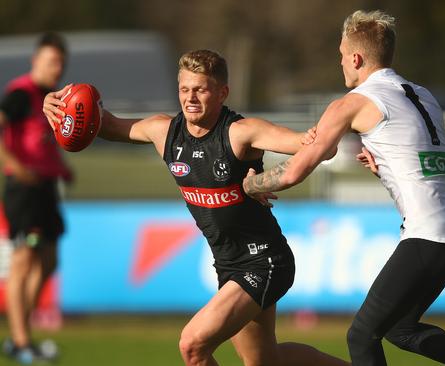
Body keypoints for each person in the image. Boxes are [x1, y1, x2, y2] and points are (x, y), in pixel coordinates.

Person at [43, 50, 348, 366]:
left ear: (222, 92)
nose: (190, 98)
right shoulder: (165, 132)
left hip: (265, 260)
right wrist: (58, 107)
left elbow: (315, 148)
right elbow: (105, 125)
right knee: (265, 362)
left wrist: (272, 174)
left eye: (201, 89)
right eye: (184, 89)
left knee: (192, 345)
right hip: (228, 265)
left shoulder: (240, 133)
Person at [243, 9, 445, 366]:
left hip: (429, 233)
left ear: (356, 58)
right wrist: (385, 172)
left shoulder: (352, 103)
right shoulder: (423, 95)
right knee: (400, 329)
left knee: (361, 335)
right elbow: (428, 164)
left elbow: (293, 172)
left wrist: (250, 184)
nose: (341, 65)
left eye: (341, 57)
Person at [0, 32, 72, 364]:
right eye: (50, 61)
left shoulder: (53, 98)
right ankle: (21, 341)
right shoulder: (20, 93)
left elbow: (42, 142)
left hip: (45, 189)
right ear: (35, 62)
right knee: (25, 259)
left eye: (60, 62)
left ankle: (19, 333)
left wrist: (61, 167)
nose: (56, 68)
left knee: (50, 261)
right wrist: (15, 165)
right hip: (24, 190)